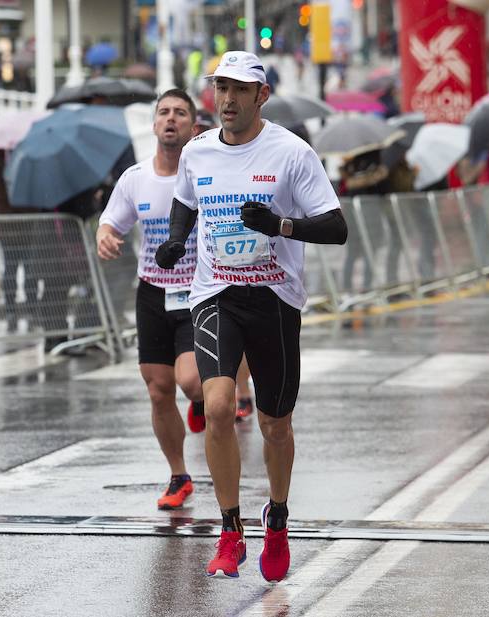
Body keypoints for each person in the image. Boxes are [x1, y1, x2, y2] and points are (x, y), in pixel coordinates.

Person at [154, 51, 347, 581]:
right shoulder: (197, 151)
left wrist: (281, 225)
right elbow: (186, 200)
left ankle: (278, 518)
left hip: (275, 300)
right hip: (216, 294)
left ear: (261, 96)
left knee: (275, 423)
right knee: (217, 406)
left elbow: (336, 227)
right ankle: (231, 530)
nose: (228, 100)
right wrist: (176, 241)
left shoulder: (291, 153)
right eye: (221, 89)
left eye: (240, 90)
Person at [96, 89, 205, 510]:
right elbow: (110, 223)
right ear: (155, 124)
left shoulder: (202, 178)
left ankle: (200, 400)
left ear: (193, 127)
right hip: (153, 292)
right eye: (164, 112)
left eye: (180, 113)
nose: (171, 119)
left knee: (190, 381)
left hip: (197, 291)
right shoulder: (135, 178)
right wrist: (106, 237)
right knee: (159, 390)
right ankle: (179, 474)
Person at [0, 148, 38, 333]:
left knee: (25, 273)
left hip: (22, 226)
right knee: (17, 272)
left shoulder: (24, 155)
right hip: (13, 226)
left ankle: (23, 312)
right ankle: (15, 313)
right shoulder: (1, 156)